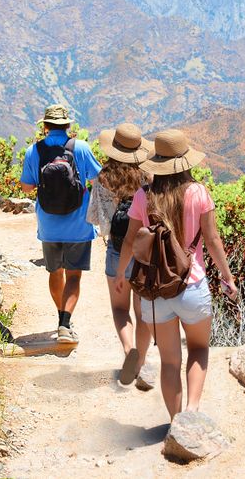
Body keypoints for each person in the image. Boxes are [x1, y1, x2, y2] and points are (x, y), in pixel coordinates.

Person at [115, 129, 238, 420]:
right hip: (192, 286)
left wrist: (122, 274)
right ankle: (191, 413)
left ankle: (174, 422)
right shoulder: (198, 193)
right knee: (198, 350)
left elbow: (131, 240)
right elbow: (212, 240)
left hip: (156, 292)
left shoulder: (144, 197)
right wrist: (227, 277)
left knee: (169, 362)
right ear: (185, 162)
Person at [19, 104, 101, 344]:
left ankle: (62, 318)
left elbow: (26, 186)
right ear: (68, 125)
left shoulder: (33, 151)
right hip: (78, 224)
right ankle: (65, 324)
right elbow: (98, 179)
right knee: (74, 276)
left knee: (55, 272)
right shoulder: (82, 148)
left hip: (49, 224)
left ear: (44, 127)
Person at [87, 123, 154, 386]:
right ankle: (142, 363)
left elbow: (94, 219)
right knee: (143, 311)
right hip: (144, 252)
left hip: (116, 249)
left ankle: (129, 351)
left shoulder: (103, 178)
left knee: (119, 308)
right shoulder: (147, 179)